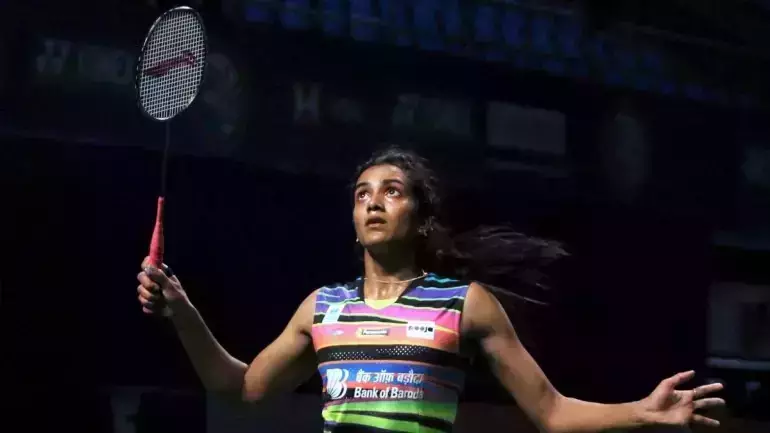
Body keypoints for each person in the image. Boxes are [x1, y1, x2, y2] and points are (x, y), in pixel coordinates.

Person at [137, 146, 725, 433]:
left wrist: (641, 413)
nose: (373, 202)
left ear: (420, 219)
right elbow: (241, 388)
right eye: (362, 194)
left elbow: (550, 411)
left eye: (392, 191)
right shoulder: (323, 308)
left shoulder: (464, 304)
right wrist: (182, 311)